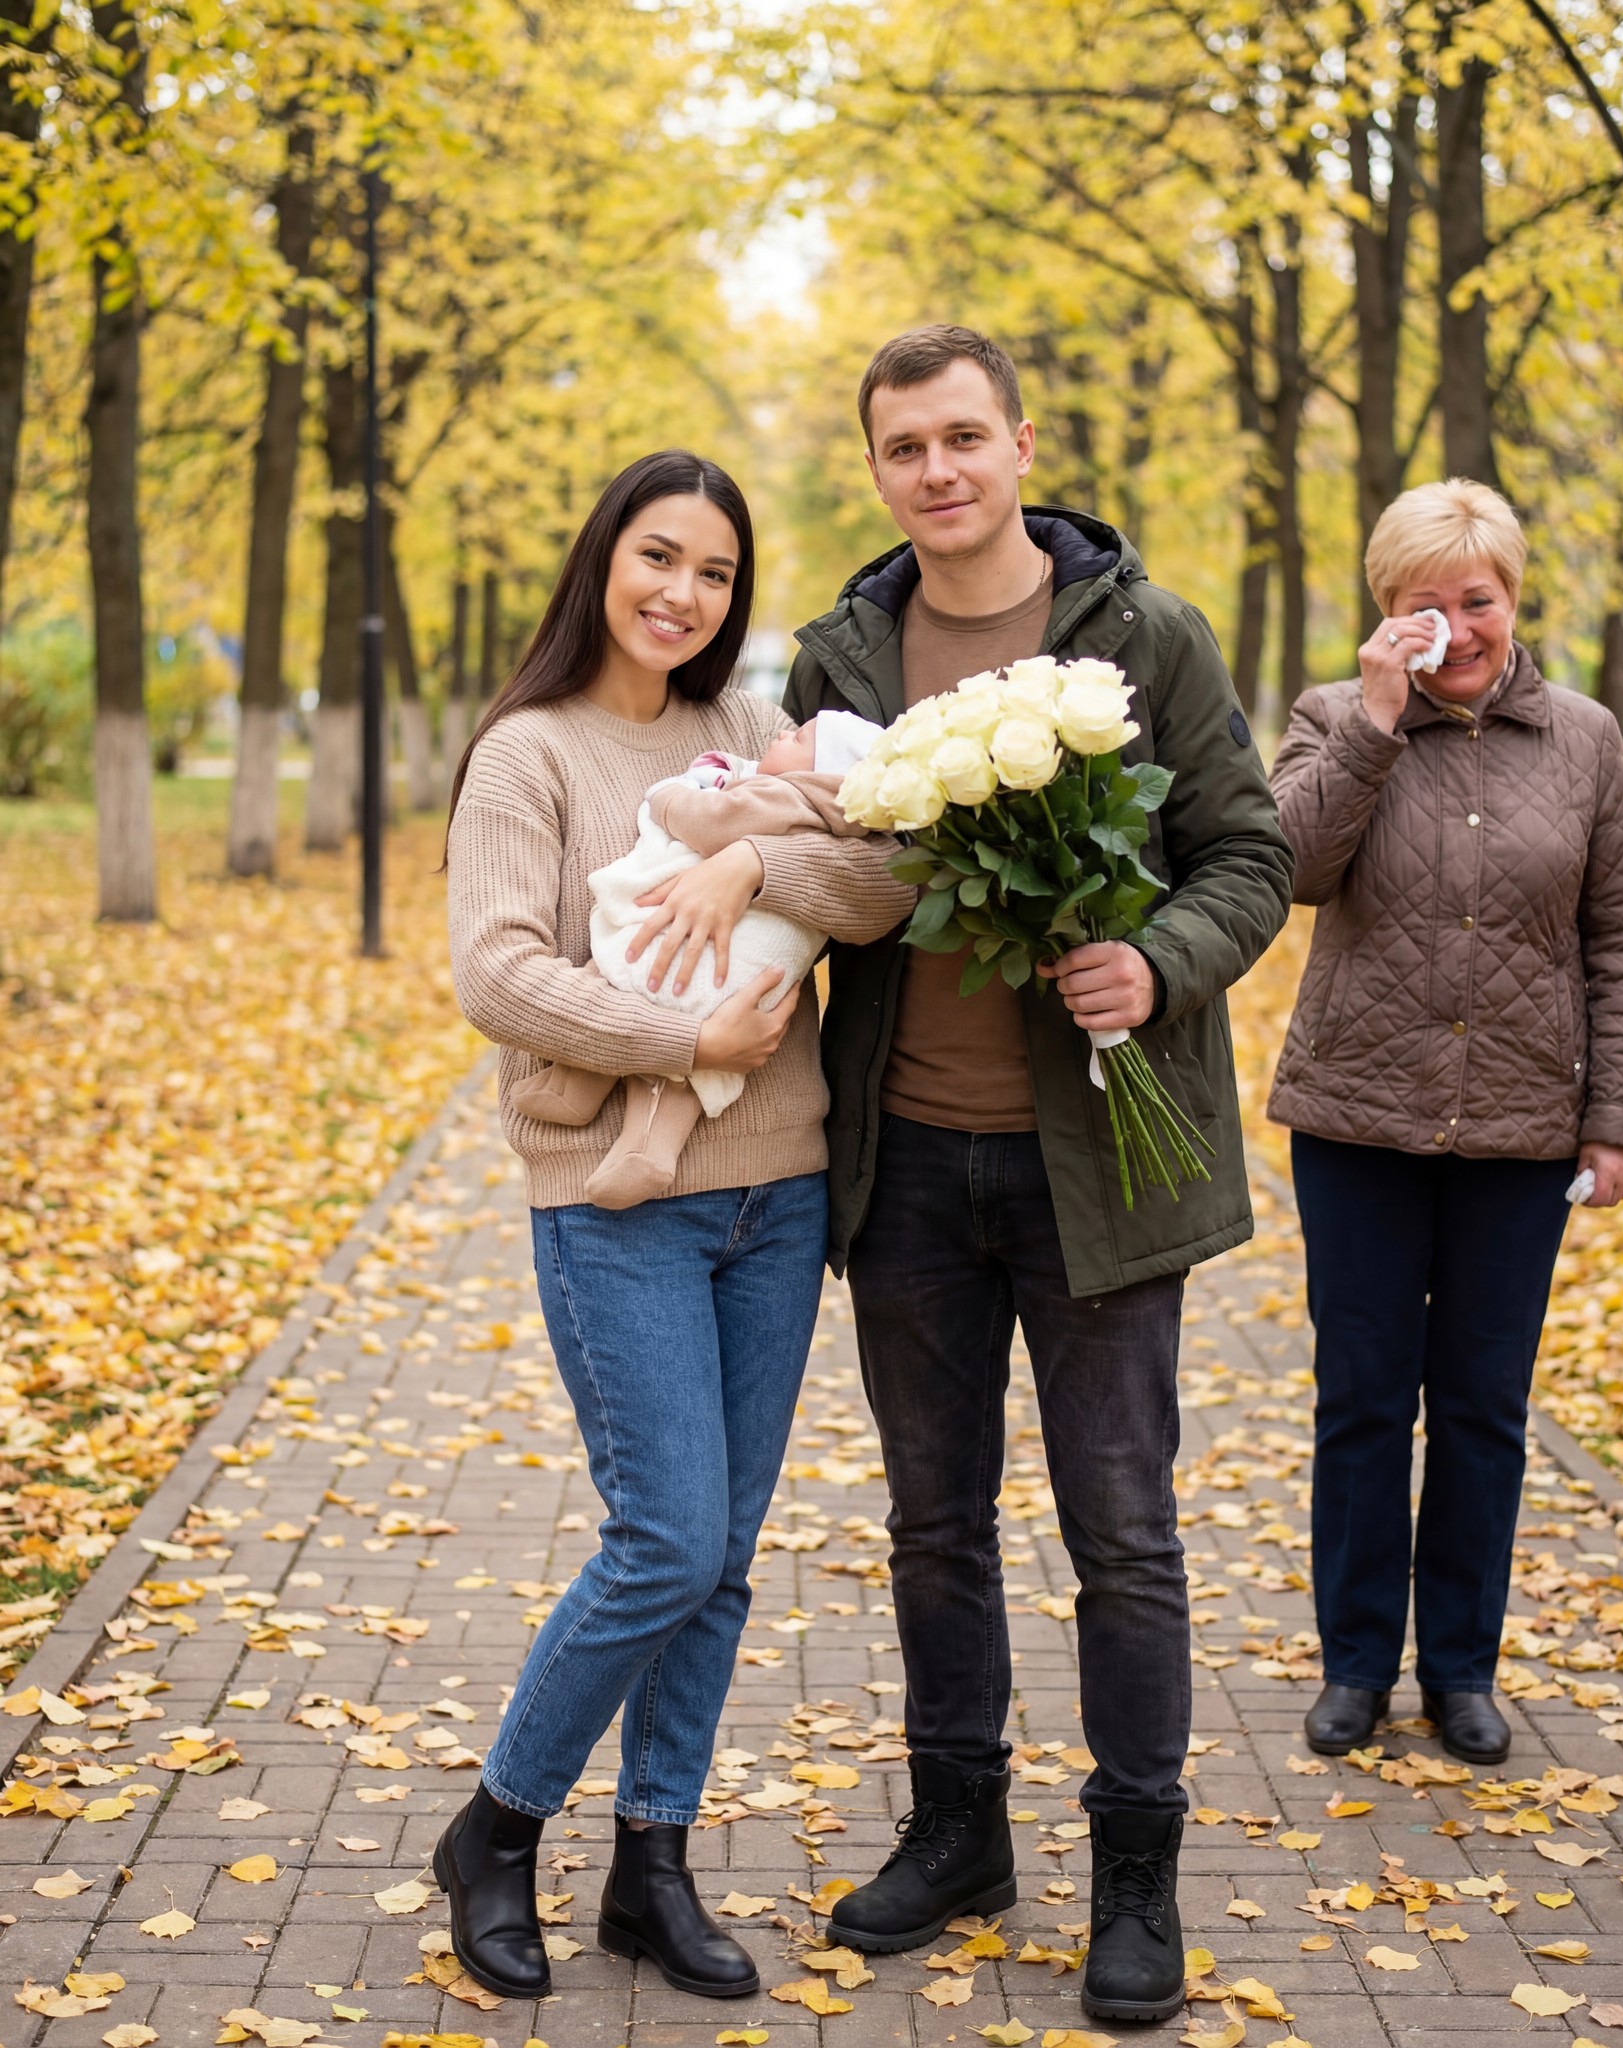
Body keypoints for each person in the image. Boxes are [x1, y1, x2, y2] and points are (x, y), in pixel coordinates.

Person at [783, 325, 1294, 2024]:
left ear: (1019, 445)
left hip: (1103, 1173)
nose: (936, 469)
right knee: (934, 1525)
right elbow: (813, 880)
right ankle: (959, 1830)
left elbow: (1252, 849)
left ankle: (1137, 1865)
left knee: (1125, 1533)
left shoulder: (1140, 634)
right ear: (877, 470)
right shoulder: (841, 659)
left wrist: (1155, 957)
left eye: (961, 437)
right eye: (902, 446)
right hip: (911, 1165)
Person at [441, 450, 909, 2003]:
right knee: (665, 1540)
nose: (680, 594)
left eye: (711, 573)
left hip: (774, 1198)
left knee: (721, 1563)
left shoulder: (743, 730)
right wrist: (681, 1043)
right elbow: (498, 974)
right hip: (614, 1200)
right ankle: (499, 1830)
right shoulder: (528, 756)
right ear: (602, 562)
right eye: (657, 558)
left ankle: (654, 1866)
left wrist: (755, 858)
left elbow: (883, 879)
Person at [1269, 479, 1623, 1767]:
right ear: (1386, 614)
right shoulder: (1332, 716)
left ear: (1513, 597)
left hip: (1523, 1127)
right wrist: (1374, 721)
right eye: (1421, 604)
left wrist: (1621, 1120)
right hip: (1357, 1121)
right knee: (1364, 1401)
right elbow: (1290, 870)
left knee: (1485, 1407)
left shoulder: (1588, 741)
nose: (1454, 625)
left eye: (1475, 598)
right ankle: (1357, 1663)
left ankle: (1462, 1669)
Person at [506, 708, 883, 1208]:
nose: (780, 733)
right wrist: (696, 1044)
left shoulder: (785, 793)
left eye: (799, 738)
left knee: (632, 971)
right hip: (750, 974)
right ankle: (595, 1099)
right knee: (661, 1023)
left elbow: (712, 822)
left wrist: (669, 799)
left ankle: (606, 1111)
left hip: (722, 966)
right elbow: (499, 976)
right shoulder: (524, 747)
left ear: (822, 773)